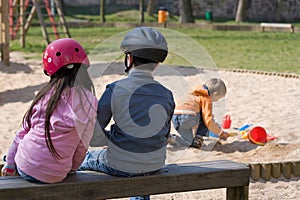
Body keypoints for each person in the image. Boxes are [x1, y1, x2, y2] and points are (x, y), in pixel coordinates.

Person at [79, 27, 175, 200]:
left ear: (129, 58)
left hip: (119, 164)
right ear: (156, 64)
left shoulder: (115, 90)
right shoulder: (166, 94)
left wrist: (113, 138)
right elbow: (161, 135)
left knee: (84, 159)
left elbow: (94, 135)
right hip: (155, 163)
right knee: (140, 166)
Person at [1, 38, 98, 184]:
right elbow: (82, 145)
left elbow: (21, 133)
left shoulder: (45, 96)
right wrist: (71, 168)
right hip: (57, 175)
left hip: (26, 166)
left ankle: (7, 159)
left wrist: (9, 164)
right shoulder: (90, 101)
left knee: (21, 147)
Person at [171, 78, 229, 149]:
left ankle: (173, 138)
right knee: (205, 118)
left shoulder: (194, 91)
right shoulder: (206, 98)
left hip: (175, 117)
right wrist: (220, 133)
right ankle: (198, 138)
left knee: (188, 142)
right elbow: (208, 120)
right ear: (215, 94)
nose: (217, 101)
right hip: (187, 117)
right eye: (218, 98)